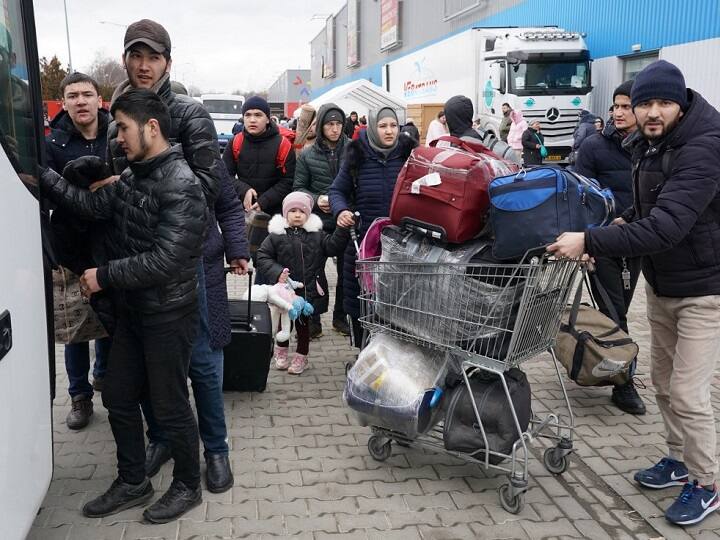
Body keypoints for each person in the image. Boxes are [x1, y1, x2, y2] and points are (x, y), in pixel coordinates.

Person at [548, 60, 720, 526]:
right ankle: (677, 459)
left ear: (681, 103)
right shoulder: (650, 144)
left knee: (687, 392)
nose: (652, 112)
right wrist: (615, 226)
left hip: (705, 289)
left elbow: (667, 226)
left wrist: (590, 240)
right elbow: (649, 209)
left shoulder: (703, 148)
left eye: (663, 102)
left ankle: (706, 483)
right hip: (664, 285)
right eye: (644, 103)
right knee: (663, 385)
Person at [41, 89, 208, 523]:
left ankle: (189, 485)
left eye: (124, 128)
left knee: (170, 406)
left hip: (168, 315)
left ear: (152, 128)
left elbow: (166, 260)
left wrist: (105, 276)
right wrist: (43, 176)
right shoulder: (133, 177)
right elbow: (90, 205)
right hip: (134, 312)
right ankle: (133, 481)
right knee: (117, 395)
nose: (117, 137)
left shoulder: (183, 185)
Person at [108, 18, 245, 496]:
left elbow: (211, 187)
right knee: (149, 367)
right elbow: (113, 188)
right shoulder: (118, 116)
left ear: (168, 62)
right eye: (136, 55)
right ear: (125, 58)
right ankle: (164, 438)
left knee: (204, 362)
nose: (144, 66)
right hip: (137, 264)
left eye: (154, 57)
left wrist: (149, 176)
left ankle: (217, 449)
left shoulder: (190, 114)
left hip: (188, 259)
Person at [572, 80, 645, 415]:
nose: (617, 112)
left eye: (625, 106)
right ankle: (624, 384)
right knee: (615, 314)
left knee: (621, 311)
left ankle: (601, 359)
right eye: (615, 106)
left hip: (639, 243)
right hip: (602, 244)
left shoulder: (650, 148)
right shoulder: (593, 147)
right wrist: (585, 243)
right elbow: (578, 197)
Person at [45, 72, 112, 430]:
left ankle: (103, 375)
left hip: (111, 243)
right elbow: (47, 190)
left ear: (99, 99)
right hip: (69, 245)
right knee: (73, 327)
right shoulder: (52, 142)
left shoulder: (117, 133)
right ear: (64, 102)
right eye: (73, 96)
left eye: (87, 94)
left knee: (107, 317)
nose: (81, 101)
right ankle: (79, 396)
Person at [329, 107, 415, 346]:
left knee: (397, 302)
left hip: (401, 244)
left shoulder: (409, 154)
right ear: (373, 127)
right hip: (363, 242)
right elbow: (337, 190)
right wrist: (341, 210)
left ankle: (393, 350)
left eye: (393, 126)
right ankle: (364, 350)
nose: (389, 131)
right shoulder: (356, 155)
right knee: (361, 302)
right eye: (383, 126)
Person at [257, 192, 350, 373]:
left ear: (308, 214)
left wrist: (341, 229)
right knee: (282, 324)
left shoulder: (317, 234)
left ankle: (301, 357)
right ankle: (281, 352)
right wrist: (277, 273)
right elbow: (262, 255)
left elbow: (332, 247)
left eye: (301, 211)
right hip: (284, 292)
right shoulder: (276, 235)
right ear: (285, 214)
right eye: (293, 211)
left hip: (307, 291)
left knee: (303, 326)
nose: (297, 214)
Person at [222, 95, 296, 284]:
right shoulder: (235, 143)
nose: (252, 119)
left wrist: (264, 201)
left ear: (268, 118)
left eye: (258, 115)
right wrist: (244, 190)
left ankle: (268, 304)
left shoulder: (282, 144)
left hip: (275, 215)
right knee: (252, 260)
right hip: (246, 216)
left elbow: (289, 181)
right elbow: (224, 177)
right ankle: (257, 303)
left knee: (270, 262)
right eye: (248, 115)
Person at [293, 103, 351, 337]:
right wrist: (317, 199)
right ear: (321, 126)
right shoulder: (307, 154)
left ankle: (341, 318)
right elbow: (298, 188)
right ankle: (313, 320)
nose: (335, 129)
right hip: (317, 220)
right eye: (330, 124)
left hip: (344, 218)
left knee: (347, 272)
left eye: (338, 124)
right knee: (313, 271)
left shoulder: (353, 150)